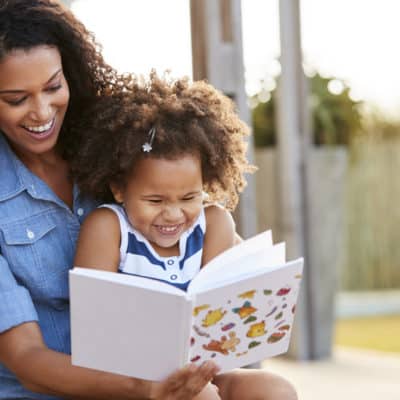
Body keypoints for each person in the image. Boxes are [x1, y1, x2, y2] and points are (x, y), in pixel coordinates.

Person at [0, 0, 297, 399]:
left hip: (166, 370)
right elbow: (26, 358)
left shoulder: (116, 150)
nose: (41, 111)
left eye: (53, 87)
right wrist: (143, 387)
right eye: (16, 99)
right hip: (65, 385)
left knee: (271, 390)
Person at [71, 73, 298, 400]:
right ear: (119, 188)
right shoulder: (107, 228)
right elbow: (93, 327)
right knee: (201, 396)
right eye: (155, 201)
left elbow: (220, 312)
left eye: (189, 198)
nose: (174, 215)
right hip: (132, 384)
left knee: (275, 389)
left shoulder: (215, 223)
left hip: (204, 370)